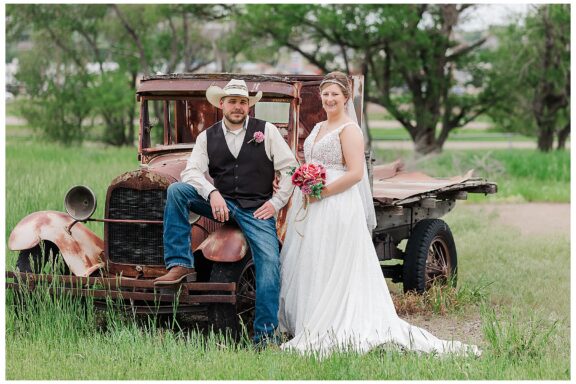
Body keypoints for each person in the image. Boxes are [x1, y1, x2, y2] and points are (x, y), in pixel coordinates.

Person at [278, 71, 480, 357]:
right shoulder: (318, 127)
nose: (329, 98)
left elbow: (356, 173)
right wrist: (306, 179)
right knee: (314, 259)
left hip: (336, 202)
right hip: (312, 203)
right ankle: (308, 320)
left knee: (335, 261)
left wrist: (323, 191)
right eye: (325, 94)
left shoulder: (349, 129)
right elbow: (310, 159)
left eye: (335, 94)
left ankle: (333, 323)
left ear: (345, 98)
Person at [154, 79, 298, 345]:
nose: (238, 107)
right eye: (232, 101)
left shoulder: (265, 131)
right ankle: (180, 264)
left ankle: (265, 337)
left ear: (248, 106)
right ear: (221, 104)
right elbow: (190, 172)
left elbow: (290, 168)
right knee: (177, 192)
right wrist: (211, 193)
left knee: (269, 264)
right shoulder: (207, 136)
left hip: (257, 209)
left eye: (243, 102)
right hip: (221, 203)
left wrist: (276, 202)